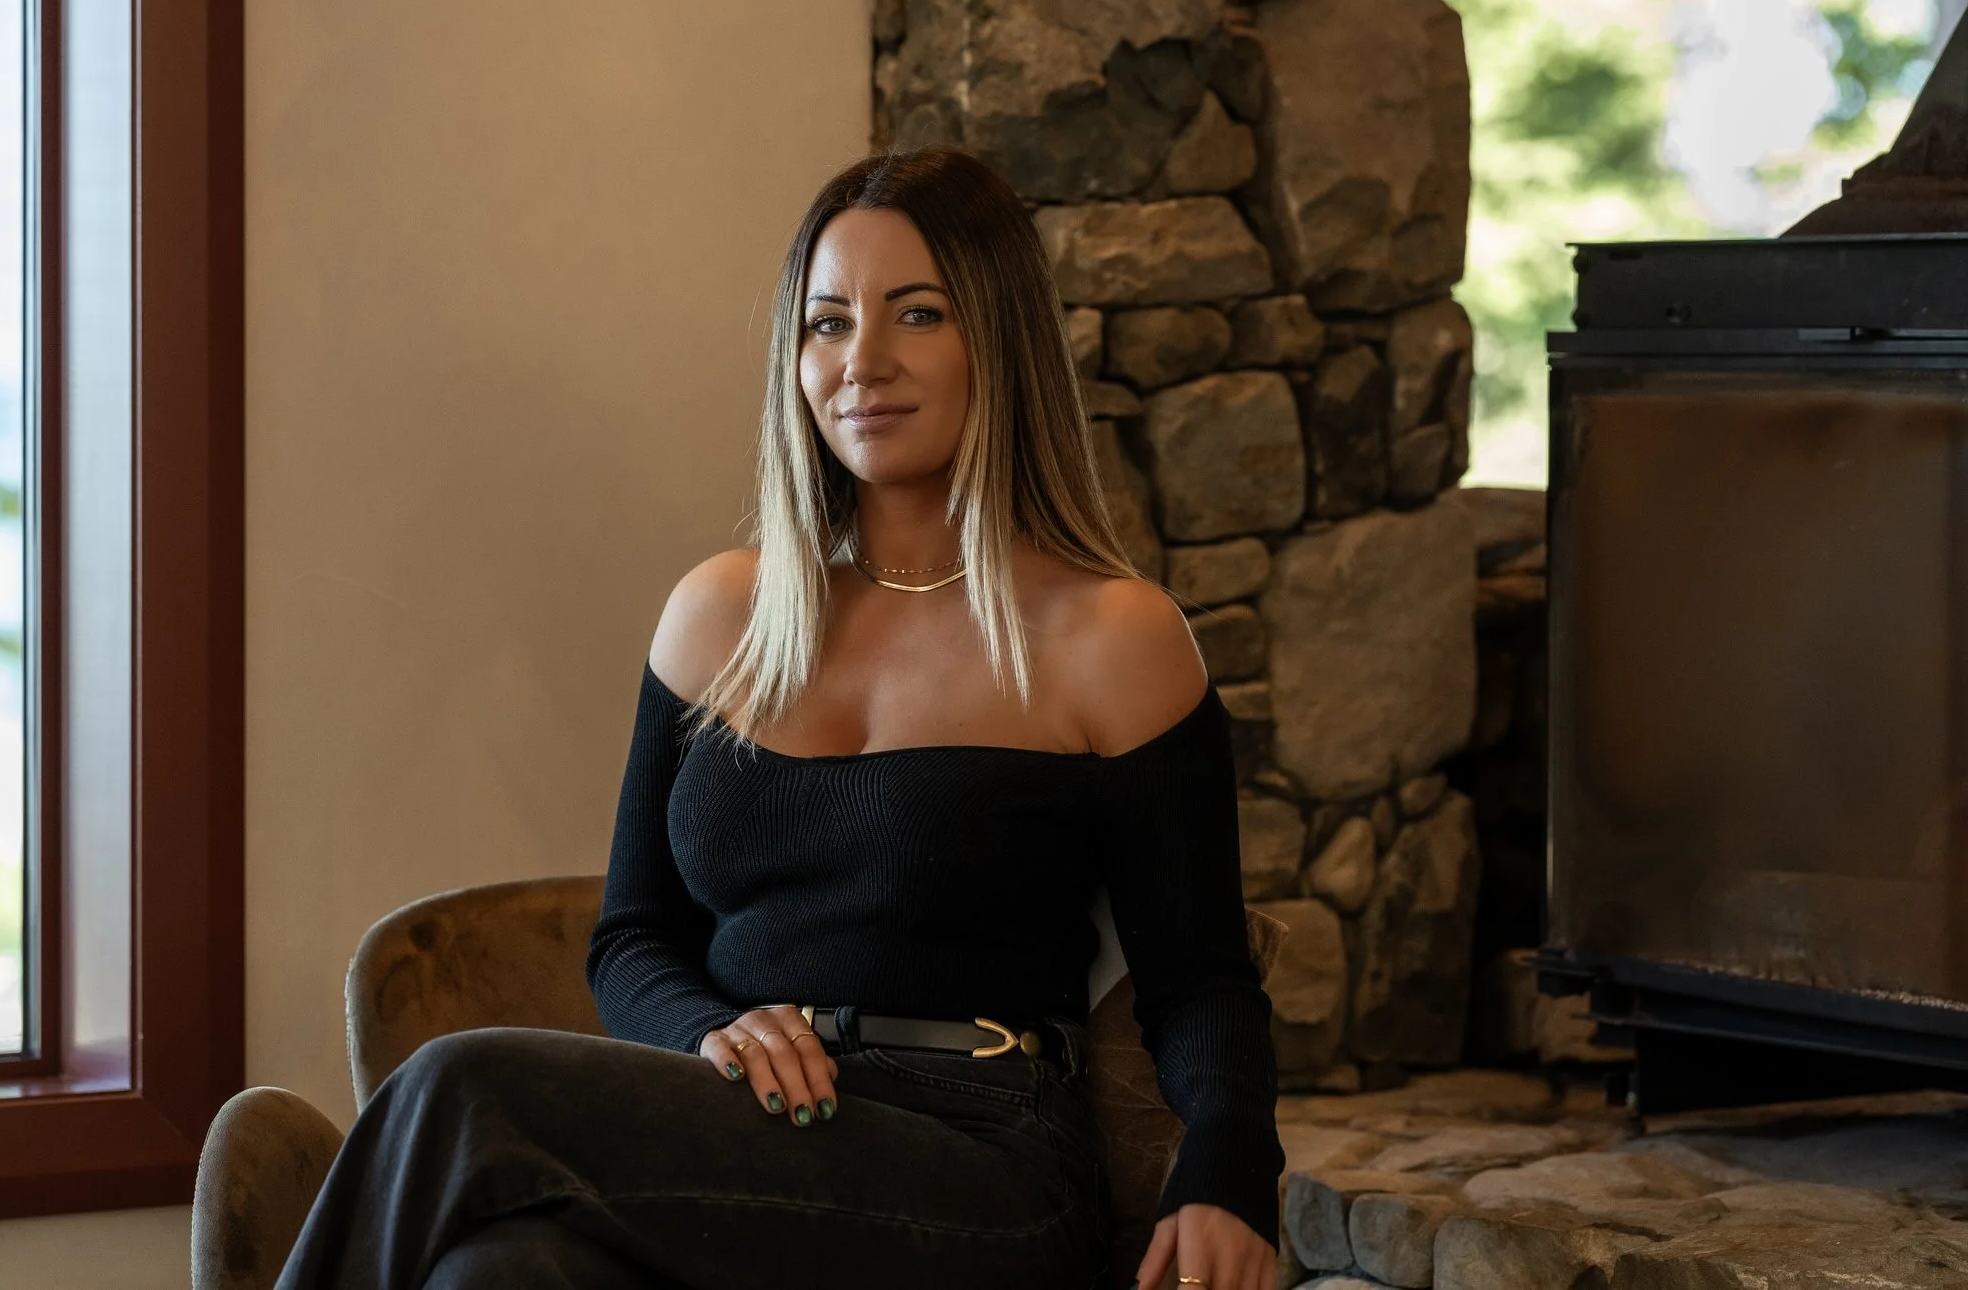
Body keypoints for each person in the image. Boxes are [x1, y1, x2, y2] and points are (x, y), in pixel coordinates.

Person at [274, 148, 1282, 1290]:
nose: (863, 362)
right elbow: (632, 933)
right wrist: (707, 1026)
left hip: (979, 1160)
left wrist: (1228, 1172)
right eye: (827, 322)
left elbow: (1200, 976)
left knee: (460, 1085)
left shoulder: (1114, 635)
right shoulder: (719, 616)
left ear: (998, 338)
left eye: (917, 313)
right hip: (744, 1123)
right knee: (501, 1270)